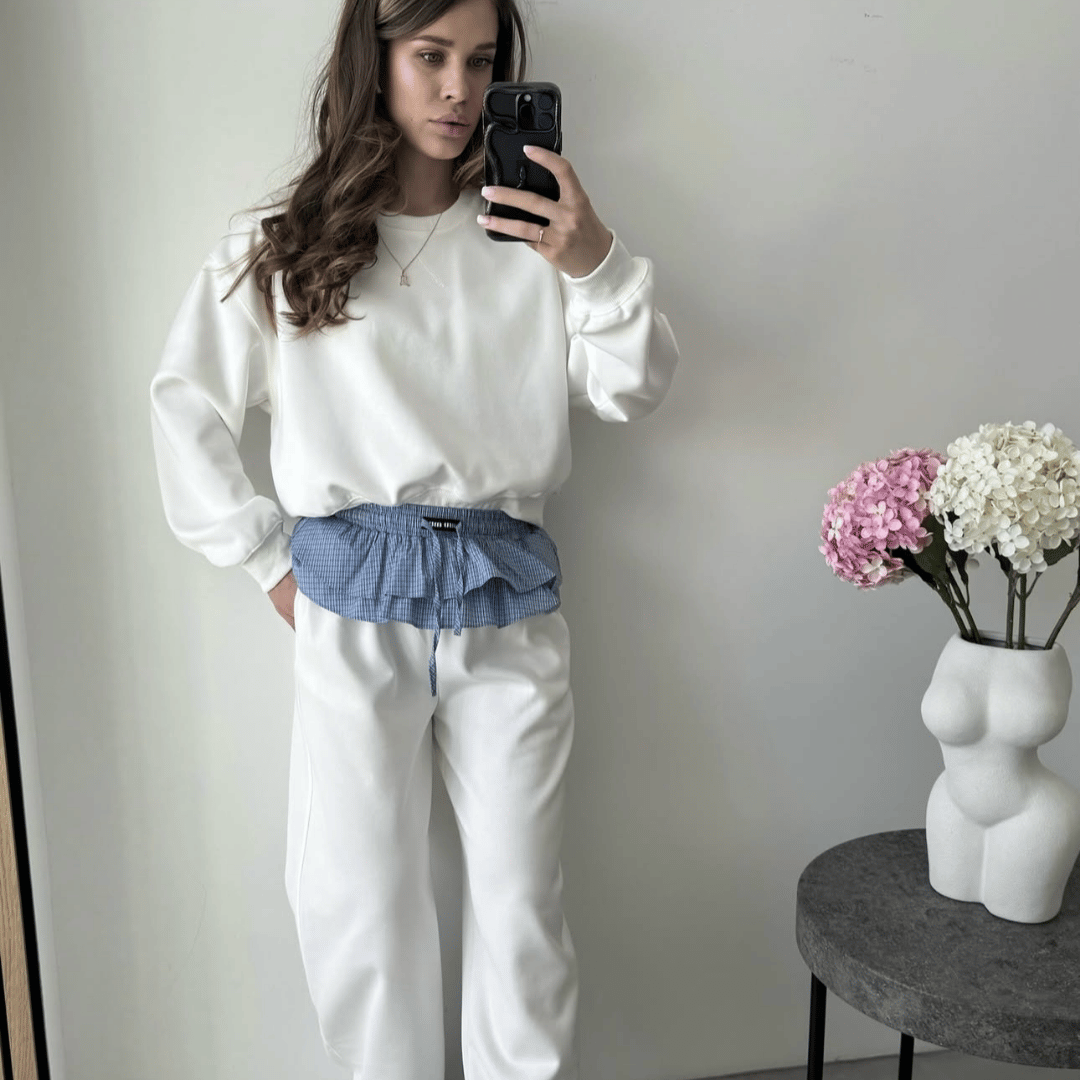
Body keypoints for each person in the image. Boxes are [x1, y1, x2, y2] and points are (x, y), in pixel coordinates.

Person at [149, 0, 679, 1076]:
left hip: (506, 591)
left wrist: (592, 260)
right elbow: (184, 406)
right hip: (351, 590)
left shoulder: (534, 241)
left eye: (481, 63)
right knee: (354, 900)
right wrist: (263, 559)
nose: (458, 90)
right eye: (430, 56)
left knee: (523, 907)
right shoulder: (282, 244)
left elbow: (634, 388)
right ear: (374, 60)